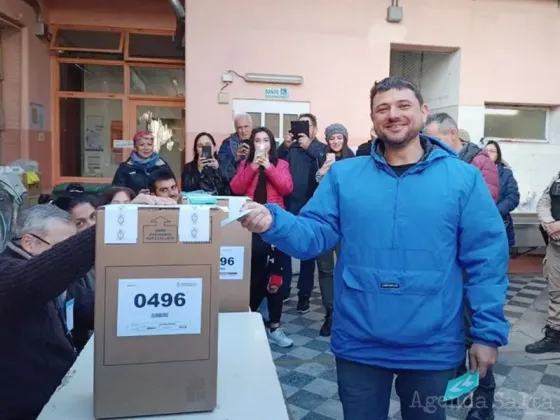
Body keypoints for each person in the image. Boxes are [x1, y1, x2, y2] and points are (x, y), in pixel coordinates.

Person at [238, 76, 509, 420]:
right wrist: (272, 221)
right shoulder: (344, 176)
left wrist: (487, 334)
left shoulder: (463, 179)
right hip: (359, 340)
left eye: (403, 105)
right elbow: (314, 234)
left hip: (432, 344)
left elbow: (486, 260)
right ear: (373, 118)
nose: (393, 114)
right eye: (383, 108)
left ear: (423, 112)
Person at [230, 126, 294, 348]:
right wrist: (253, 167)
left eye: (265, 140)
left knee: (277, 276)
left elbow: (286, 188)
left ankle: (275, 326)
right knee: (254, 274)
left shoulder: (281, 164)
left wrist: (268, 166)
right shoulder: (245, 164)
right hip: (251, 224)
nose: (261, 144)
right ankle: (252, 320)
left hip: (275, 225)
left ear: (271, 144)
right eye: (257, 140)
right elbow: (236, 187)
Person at [283, 113, 327, 313]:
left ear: (314, 129)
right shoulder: (290, 147)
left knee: (307, 254)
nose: (302, 129)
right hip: (290, 203)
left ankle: (304, 295)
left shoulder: (319, 147)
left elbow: (324, 162)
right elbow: (277, 163)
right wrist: (285, 145)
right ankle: (282, 290)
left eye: (306, 125)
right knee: (284, 249)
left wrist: (308, 145)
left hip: (311, 206)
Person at [315, 123, 354, 336]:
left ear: (345, 138)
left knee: (347, 266)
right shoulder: (319, 157)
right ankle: (330, 312)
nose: (335, 141)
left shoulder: (354, 160)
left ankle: (346, 313)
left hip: (347, 223)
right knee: (325, 269)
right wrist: (322, 171)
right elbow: (316, 191)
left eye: (339, 137)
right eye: (332, 138)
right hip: (324, 222)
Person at [424, 113, 499, 202]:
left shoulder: (482, 163)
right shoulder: (430, 161)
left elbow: (485, 201)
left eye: (437, 140)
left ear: (453, 133)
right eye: (430, 142)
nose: (432, 146)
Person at [526, 173, 560, 354]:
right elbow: (544, 202)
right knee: (556, 291)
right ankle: (555, 336)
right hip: (556, 245)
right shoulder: (557, 175)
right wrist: (549, 224)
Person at [485, 140, 520, 248]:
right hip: (480, 222)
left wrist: (496, 211)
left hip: (500, 222)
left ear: (498, 155)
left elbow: (513, 197)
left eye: (492, 151)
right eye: (486, 150)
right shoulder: (475, 171)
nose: (488, 153)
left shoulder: (506, 173)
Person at [217, 113, 254, 182]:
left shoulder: (260, 140)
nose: (243, 131)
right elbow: (222, 172)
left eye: (246, 126)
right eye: (239, 127)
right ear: (235, 129)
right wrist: (235, 159)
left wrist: (252, 156)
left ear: (251, 126)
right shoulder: (227, 144)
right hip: (234, 187)